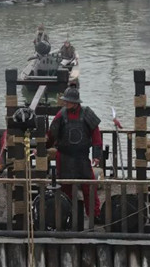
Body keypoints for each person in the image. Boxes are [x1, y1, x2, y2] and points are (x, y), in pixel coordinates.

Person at [47, 87, 101, 219]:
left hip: (82, 157)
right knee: (65, 187)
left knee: (89, 186)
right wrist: (42, 148)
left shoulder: (87, 113)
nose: (66, 103)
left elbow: (96, 135)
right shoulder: (61, 115)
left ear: (76, 102)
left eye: (68, 101)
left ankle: (94, 214)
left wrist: (96, 155)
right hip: (64, 157)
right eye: (65, 101)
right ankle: (67, 215)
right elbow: (51, 134)